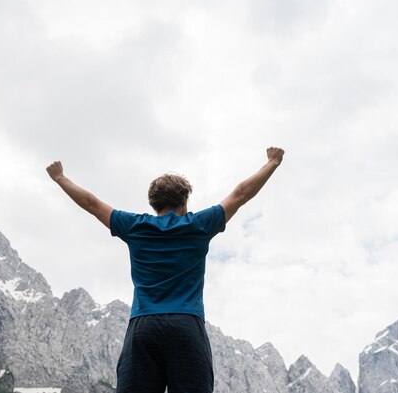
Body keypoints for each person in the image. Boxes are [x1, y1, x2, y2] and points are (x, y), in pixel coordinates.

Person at [46, 147, 285, 393]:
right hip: (186, 326)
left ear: (153, 203)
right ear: (184, 201)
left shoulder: (135, 227)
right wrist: (272, 162)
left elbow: (91, 203)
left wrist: (60, 177)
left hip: (144, 326)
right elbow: (240, 194)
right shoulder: (198, 225)